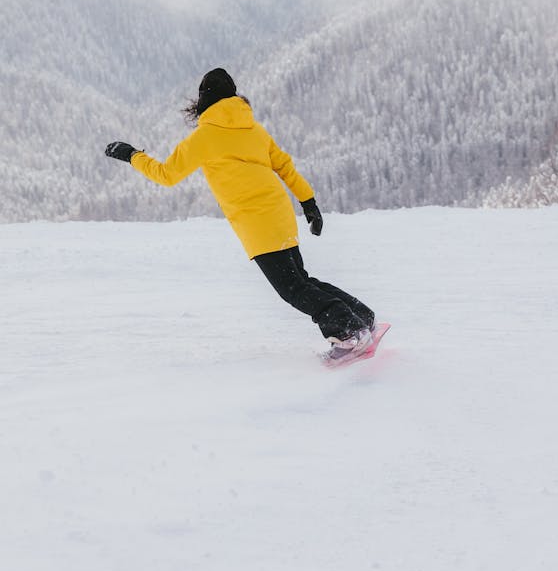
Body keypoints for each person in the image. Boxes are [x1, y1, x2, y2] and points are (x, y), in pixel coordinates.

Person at [105, 68, 376, 361]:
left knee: (292, 288)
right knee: (302, 279)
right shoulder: (254, 130)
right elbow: (284, 166)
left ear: (204, 100)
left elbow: (167, 175)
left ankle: (349, 332)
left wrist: (133, 155)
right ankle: (362, 318)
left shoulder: (204, 137)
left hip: (256, 222)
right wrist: (308, 202)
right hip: (280, 213)